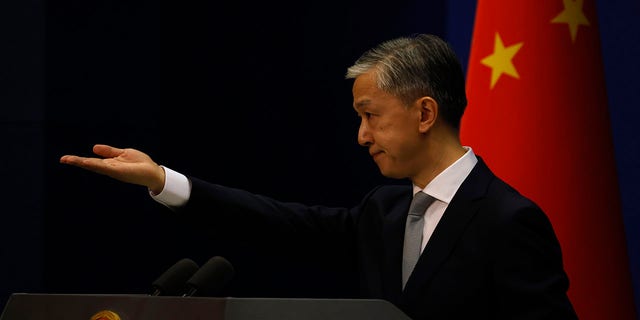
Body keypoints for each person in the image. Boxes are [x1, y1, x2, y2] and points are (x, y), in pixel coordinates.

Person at [60, 33, 577, 319]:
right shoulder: (385, 210)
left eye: (371, 115)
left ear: (424, 113)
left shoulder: (509, 221)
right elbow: (279, 223)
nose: (361, 135)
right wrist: (163, 181)